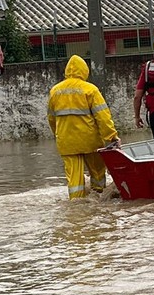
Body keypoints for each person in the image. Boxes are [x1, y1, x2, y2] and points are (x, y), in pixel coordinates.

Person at [47, 55, 121, 199]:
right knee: (98, 173)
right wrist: (112, 137)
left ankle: (76, 205)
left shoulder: (55, 91)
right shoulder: (90, 90)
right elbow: (103, 117)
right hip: (90, 141)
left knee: (74, 180)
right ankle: (98, 199)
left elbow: (51, 118)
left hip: (66, 142)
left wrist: (58, 135)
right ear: (84, 71)